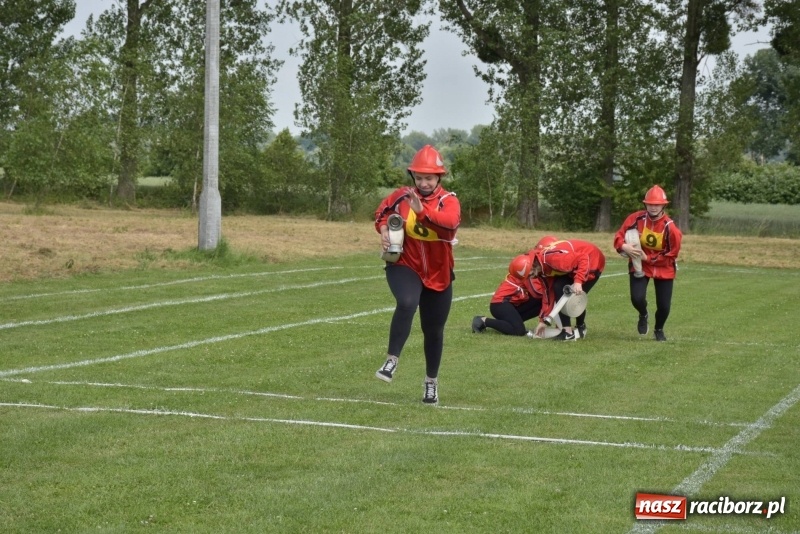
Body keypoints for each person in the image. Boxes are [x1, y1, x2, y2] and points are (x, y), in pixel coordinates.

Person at [374, 145, 461, 404]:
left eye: (429, 178)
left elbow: (449, 227)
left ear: (439, 179)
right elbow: (382, 213)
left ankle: (430, 383)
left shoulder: (449, 201)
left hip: (439, 273)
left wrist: (422, 212)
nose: (423, 183)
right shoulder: (401, 196)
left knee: (433, 330)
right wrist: (383, 230)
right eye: (419, 177)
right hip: (405, 264)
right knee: (407, 302)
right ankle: (391, 361)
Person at [613, 185, 682, 341]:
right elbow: (619, 236)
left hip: (664, 268)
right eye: (650, 204)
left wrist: (648, 258)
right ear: (645, 204)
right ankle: (643, 314)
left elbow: (671, 255)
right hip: (639, 265)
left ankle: (659, 329)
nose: (653, 207)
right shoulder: (635, 218)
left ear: (663, 205)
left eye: (657, 204)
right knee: (636, 298)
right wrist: (623, 246)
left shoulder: (671, 228)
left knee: (664, 306)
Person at [526, 238, 606, 341]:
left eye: (528, 274)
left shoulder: (552, 259)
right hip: (577, 263)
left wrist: (578, 281)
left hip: (593, 260)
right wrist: (543, 320)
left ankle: (580, 327)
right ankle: (567, 331)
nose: (529, 278)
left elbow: (582, 258)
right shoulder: (542, 269)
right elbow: (548, 296)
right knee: (558, 287)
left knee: (575, 296)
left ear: (532, 266)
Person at [471, 254, 547, 337]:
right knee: (518, 331)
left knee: (541, 302)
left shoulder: (530, 266)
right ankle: (483, 320)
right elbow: (537, 292)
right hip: (500, 303)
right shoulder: (526, 271)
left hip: (511, 303)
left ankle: (509, 323)